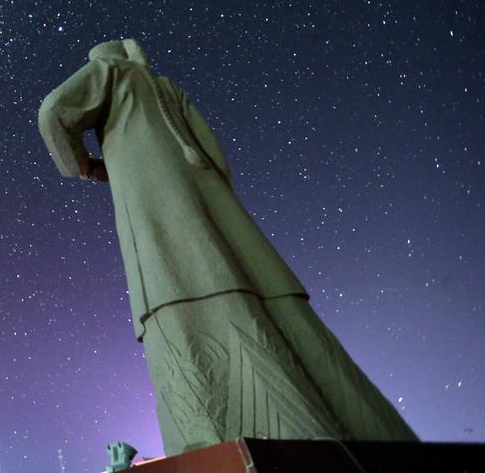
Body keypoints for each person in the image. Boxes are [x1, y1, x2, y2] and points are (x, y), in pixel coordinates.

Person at [38, 39, 417, 455]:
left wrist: (86, 167)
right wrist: (215, 198)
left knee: (170, 282)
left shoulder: (109, 72)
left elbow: (54, 112)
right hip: (214, 211)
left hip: (156, 215)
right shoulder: (165, 86)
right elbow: (213, 153)